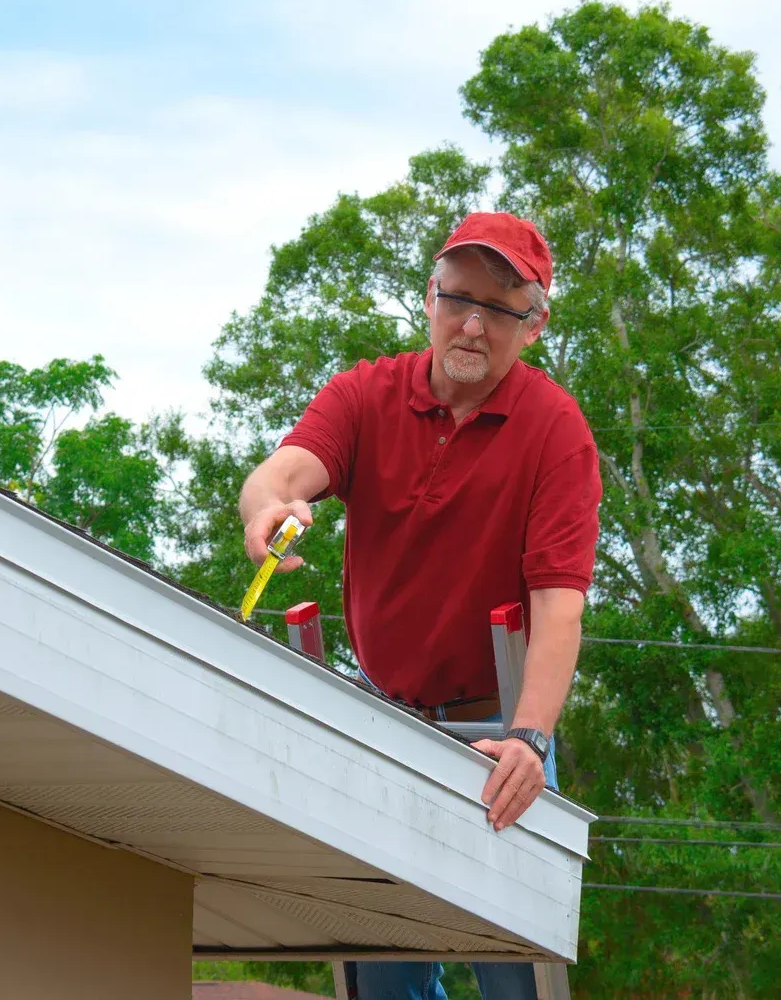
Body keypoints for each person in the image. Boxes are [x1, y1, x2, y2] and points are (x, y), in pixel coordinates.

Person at [237, 212, 601, 1000]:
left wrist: (530, 742)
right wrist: (268, 506)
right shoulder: (366, 394)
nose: (473, 323)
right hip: (384, 723)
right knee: (380, 978)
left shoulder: (554, 432)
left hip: (495, 742)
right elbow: (284, 472)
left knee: (514, 977)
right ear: (429, 298)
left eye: (500, 307)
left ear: (533, 324)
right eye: (457, 298)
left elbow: (560, 606)